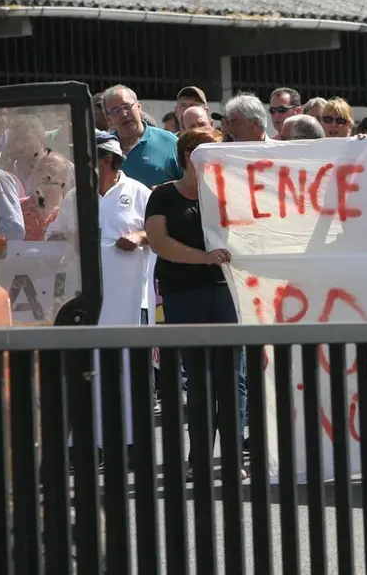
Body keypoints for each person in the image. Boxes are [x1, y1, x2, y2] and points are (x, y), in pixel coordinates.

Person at [144, 127, 247, 481]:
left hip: (225, 295)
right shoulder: (163, 197)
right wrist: (204, 258)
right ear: (189, 156)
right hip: (182, 296)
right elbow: (159, 243)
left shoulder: (225, 197)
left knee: (231, 379)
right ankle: (198, 459)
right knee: (199, 381)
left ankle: (233, 459)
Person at [47, 130, 152, 458]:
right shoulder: (76, 196)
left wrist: (140, 235)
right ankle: (87, 445)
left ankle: (131, 444)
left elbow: (160, 232)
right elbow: (54, 235)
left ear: (107, 159)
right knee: (87, 366)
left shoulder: (138, 193)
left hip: (130, 301)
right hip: (87, 302)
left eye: (88, 158)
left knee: (126, 369)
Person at [101, 85, 183, 189]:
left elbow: (189, 186)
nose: (124, 114)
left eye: (127, 106)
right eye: (115, 111)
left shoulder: (170, 142)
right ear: (108, 120)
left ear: (139, 107)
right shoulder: (103, 149)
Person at [20, 150, 74, 241]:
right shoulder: (18, 209)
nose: (45, 175)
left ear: (65, 178)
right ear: (32, 174)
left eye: (52, 171)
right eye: (40, 170)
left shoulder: (71, 211)